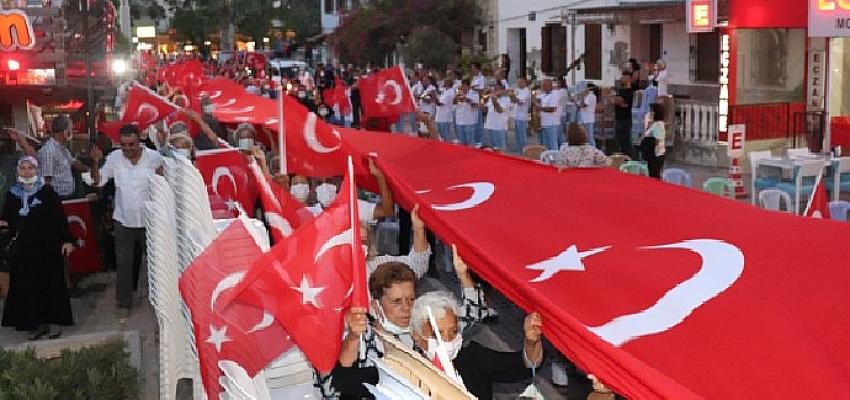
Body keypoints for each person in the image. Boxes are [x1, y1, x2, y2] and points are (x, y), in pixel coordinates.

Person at [332, 246, 490, 398]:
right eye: (396, 302)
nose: (407, 308)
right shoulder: (361, 335)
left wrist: (463, 275)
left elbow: (474, 313)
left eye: (411, 299)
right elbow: (341, 382)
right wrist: (352, 337)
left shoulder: (424, 324)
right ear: (376, 305)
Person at [410, 291, 543, 400]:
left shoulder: (473, 358)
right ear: (417, 335)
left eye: (453, 332)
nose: (447, 340)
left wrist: (531, 342)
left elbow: (525, 364)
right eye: (437, 335)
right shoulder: (407, 369)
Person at [90, 125, 164, 311]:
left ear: (139, 140)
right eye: (123, 145)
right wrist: (95, 163)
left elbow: (164, 184)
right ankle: (124, 301)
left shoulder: (154, 158)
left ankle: (161, 299)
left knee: (156, 261)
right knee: (123, 262)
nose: (128, 148)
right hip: (123, 219)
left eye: (131, 144)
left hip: (151, 219)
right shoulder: (114, 159)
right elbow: (98, 182)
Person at [1, 156, 75, 339]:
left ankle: (55, 322)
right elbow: (7, 221)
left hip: (48, 248)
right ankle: (36, 324)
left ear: (36, 170)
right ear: (18, 171)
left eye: (30, 168)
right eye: (23, 168)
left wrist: (66, 240)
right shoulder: (12, 195)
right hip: (24, 251)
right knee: (28, 287)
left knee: (51, 284)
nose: (27, 172)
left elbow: (59, 219)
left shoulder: (47, 192)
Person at [21, 116, 91, 199]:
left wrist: (89, 169)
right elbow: (46, 180)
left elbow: (74, 163)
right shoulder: (49, 150)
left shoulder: (63, 149)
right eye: (71, 129)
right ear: (65, 132)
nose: (72, 132)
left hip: (67, 196)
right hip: (57, 198)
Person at [484, 84, 513, 150]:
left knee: (500, 149)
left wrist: (495, 102)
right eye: (495, 89)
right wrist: (484, 100)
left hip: (500, 127)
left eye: (498, 89)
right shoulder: (491, 98)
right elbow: (485, 110)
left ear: (503, 90)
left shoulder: (506, 99)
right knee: (492, 149)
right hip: (490, 126)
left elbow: (500, 110)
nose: (496, 91)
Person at [613, 70, 635, 157]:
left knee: (626, 142)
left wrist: (618, 100)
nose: (622, 79)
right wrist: (617, 101)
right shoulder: (620, 90)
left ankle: (629, 158)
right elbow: (614, 101)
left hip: (625, 120)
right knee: (618, 142)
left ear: (628, 79)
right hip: (618, 119)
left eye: (624, 77)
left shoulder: (629, 91)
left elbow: (623, 103)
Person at [642, 103, 667, 179]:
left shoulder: (658, 124)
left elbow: (657, 140)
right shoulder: (654, 124)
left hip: (655, 155)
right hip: (652, 155)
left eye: (652, 111)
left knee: (654, 175)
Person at [535, 79, 561, 150]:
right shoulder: (543, 95)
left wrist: (540, 108)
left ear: (549, 85)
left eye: (543, 85)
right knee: (545, 147)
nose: (541, 87)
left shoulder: (555, 94)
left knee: (553, 146)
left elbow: (552, 109)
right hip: (544, 124)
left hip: (552, 124)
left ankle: (554, 160)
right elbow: (537, 100)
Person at [454, 79, 480, 146]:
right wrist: (456, 96)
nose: (463, 88)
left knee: (470, 143)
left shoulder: (474, 94)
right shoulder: (459, 94)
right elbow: (454, 103)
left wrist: (466, 99)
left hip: (469, 122)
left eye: (465, 86)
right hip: (459, 121)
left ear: (469, 86)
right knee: (462, 143)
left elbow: (476, 106)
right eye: (462, 86)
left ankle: (471, 156)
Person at [511, 77, 531, 153]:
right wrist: (512, 96)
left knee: (522, 136)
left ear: (525, 83)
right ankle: (519, 150)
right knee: (517, 135)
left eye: (521, 82)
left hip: (522, 116)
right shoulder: (518, 90)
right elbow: (513, 100)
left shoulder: (527, 91)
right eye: (518, 82)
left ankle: (524, 151)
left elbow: (520, 102)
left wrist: (512, 96)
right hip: (516, 115)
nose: (518, 84)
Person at [434, 77, 456, 142]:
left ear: (449, 83)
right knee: (439, 136)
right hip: (439, 116)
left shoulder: (451, 92)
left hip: (445, 118)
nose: (444, 82)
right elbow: (439, 100)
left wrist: (434, 98)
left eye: (445, 81)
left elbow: (441, 104)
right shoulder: (444, 91)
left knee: (446, 137)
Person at [577, 83, 599, 148]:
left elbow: (583, 105)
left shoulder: (591, 96)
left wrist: (581, 96)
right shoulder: (585, 96)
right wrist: (574, 100)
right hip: (583, 119)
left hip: (589, 119)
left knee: (590, 137)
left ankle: (594, 151)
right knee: (584, 137)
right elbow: (579, 106)